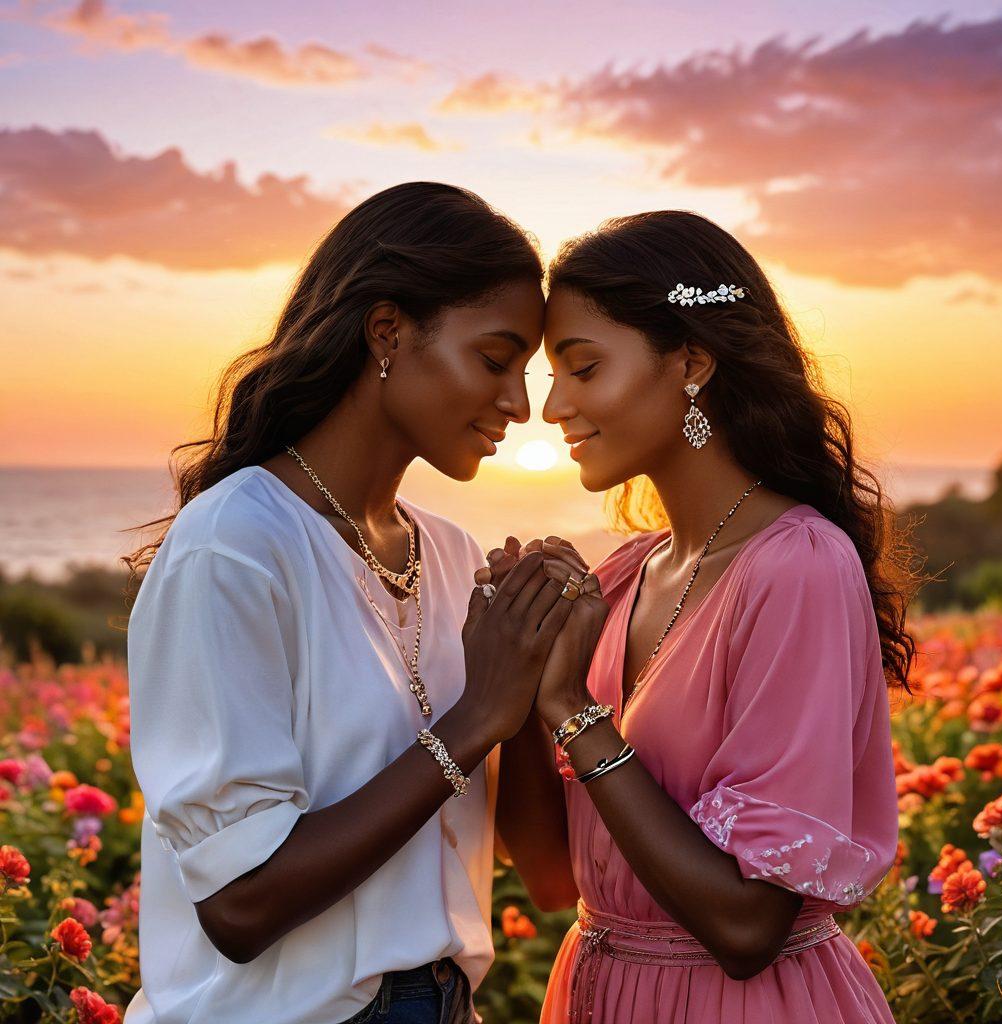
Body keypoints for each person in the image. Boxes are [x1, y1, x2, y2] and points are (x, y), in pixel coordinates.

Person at [122, 182, 586, 1024]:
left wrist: (536, 678)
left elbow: (548, 881)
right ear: (387, 331)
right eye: (495, 360)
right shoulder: (235, 544)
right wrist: (476, 715)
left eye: (528, 373)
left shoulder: (448, 556)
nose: (520, 407)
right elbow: (240, 905)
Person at [485, 211, 917, 1023]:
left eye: (582, 368)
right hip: (596, 995)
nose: (552, 408)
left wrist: (574, 713)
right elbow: (549, 879)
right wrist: (522, 669)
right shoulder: (621, 576)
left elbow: (747, 925)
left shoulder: (797, 569)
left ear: (690, 362)